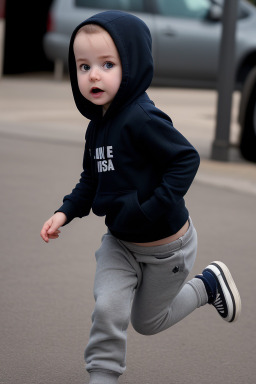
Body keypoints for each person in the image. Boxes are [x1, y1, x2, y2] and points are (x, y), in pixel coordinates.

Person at [40, 11, 241, 384]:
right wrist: (64, 212)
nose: (93, 75)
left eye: (107, 64)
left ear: (131, 64)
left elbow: (185, 159)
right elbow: (91, 179)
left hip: (169, 247)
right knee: (108, 307)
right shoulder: (96, 126)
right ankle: (102, 376)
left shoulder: (143, 118)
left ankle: (207, 285)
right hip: (121, 243)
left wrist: (153, 208)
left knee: (148, 323)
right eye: (83, 66)